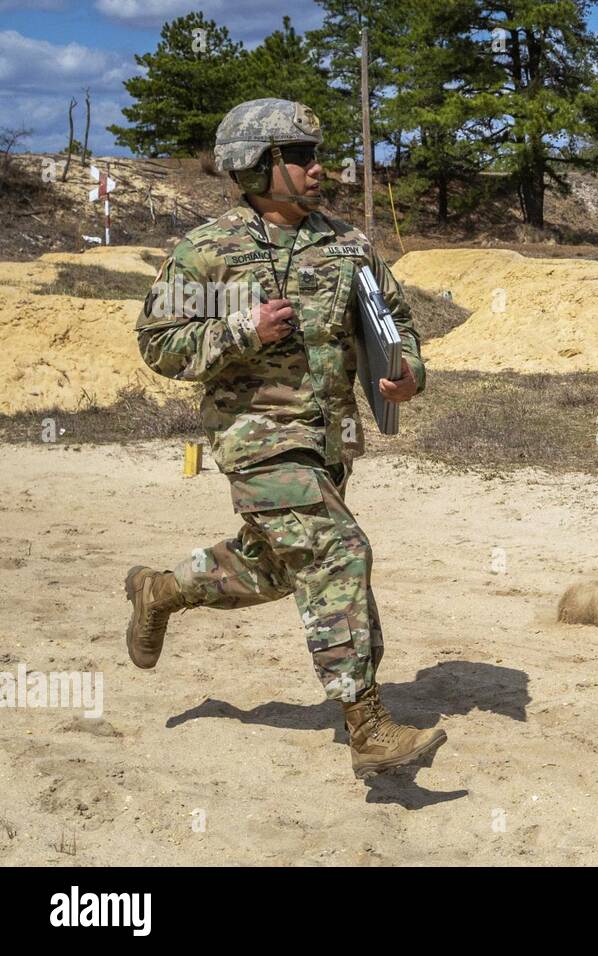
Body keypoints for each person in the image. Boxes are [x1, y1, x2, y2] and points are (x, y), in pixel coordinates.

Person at [124, 98, 445, 777]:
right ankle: (367, 724)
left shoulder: (347, 244)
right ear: (257, 165)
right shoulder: (210, 251)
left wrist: (407, 370)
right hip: (257, 439)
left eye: (314, 155)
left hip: (330, 442)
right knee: (339, 548)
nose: (317, 167)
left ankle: (160, 591)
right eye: (298, 157)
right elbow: (157, 344)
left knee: (274, 567)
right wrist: (240, 330)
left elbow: (397, 321)